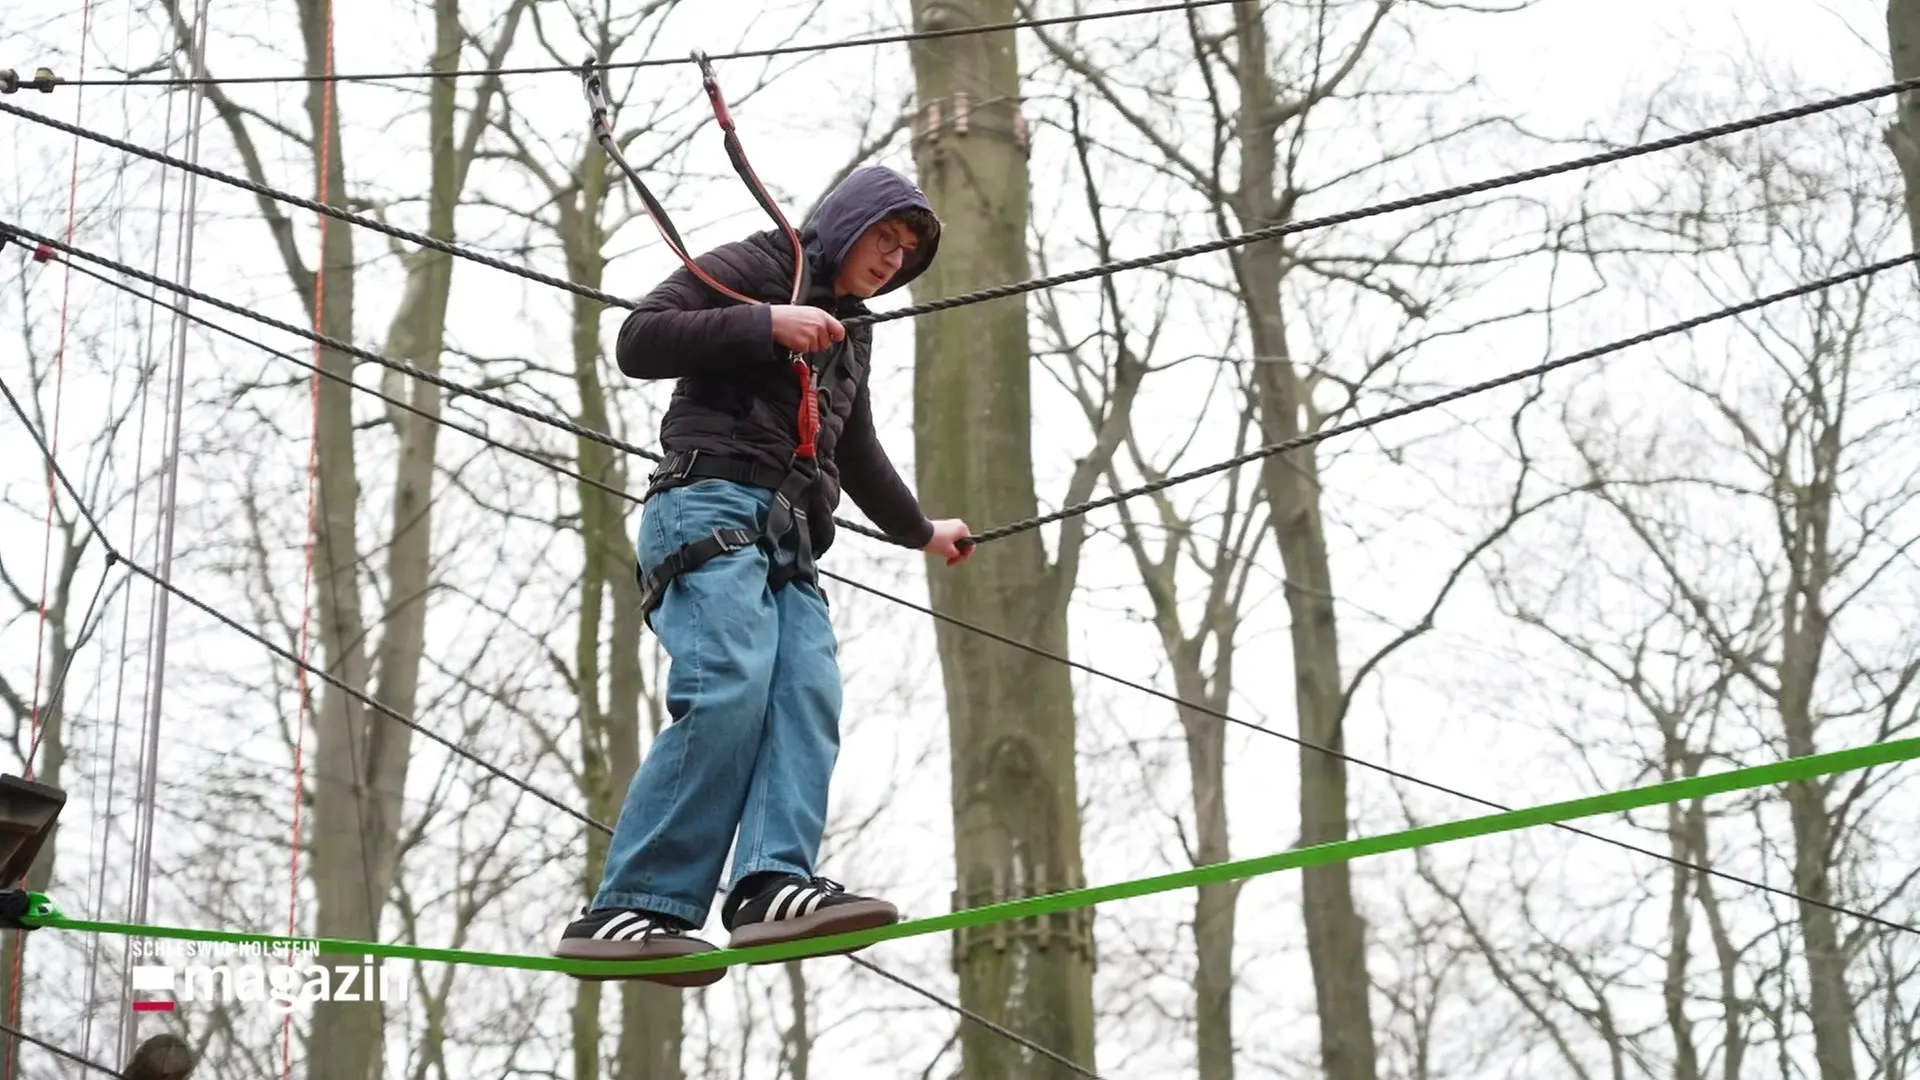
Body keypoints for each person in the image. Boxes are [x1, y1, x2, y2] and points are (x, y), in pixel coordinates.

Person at [553, 165, 971, 985]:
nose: (890, 259)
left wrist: (922, 530)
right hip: (707, 505)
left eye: (904, 251)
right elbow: (641, 338)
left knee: (807, 696)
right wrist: (765, 324)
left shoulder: (857, 329)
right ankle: (632, 905)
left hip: (790, 540)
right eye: (882, 237)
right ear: (847, 224)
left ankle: (770, 884)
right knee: (730, 685)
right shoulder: (760, 265)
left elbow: (854, 449)